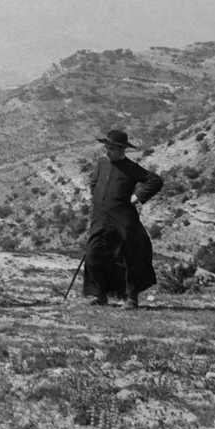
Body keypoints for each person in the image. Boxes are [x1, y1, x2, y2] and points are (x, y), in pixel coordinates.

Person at [83, 129, 163, 309]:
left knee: (129, 258)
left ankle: (131, 298)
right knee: (93, 255)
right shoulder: (102, 164)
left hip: (123, 220)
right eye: (107, 147)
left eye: (111, 148)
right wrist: (97, 197)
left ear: (121, 150)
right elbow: (94, 182)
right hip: (100, 218)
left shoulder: (131, 167)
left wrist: (137, 197)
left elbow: (155, 181)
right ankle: (100, 295)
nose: (107, 151)